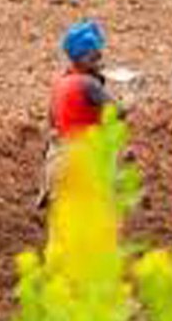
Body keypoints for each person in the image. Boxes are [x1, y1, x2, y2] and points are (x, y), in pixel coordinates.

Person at [36, 19, 116, 209]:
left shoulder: (60, 82)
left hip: (58, 159)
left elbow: (51, 122)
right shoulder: (89, 84)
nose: (99, 59)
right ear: (81, 58)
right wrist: (130, 98)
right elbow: (116, 112)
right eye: (94, 57)